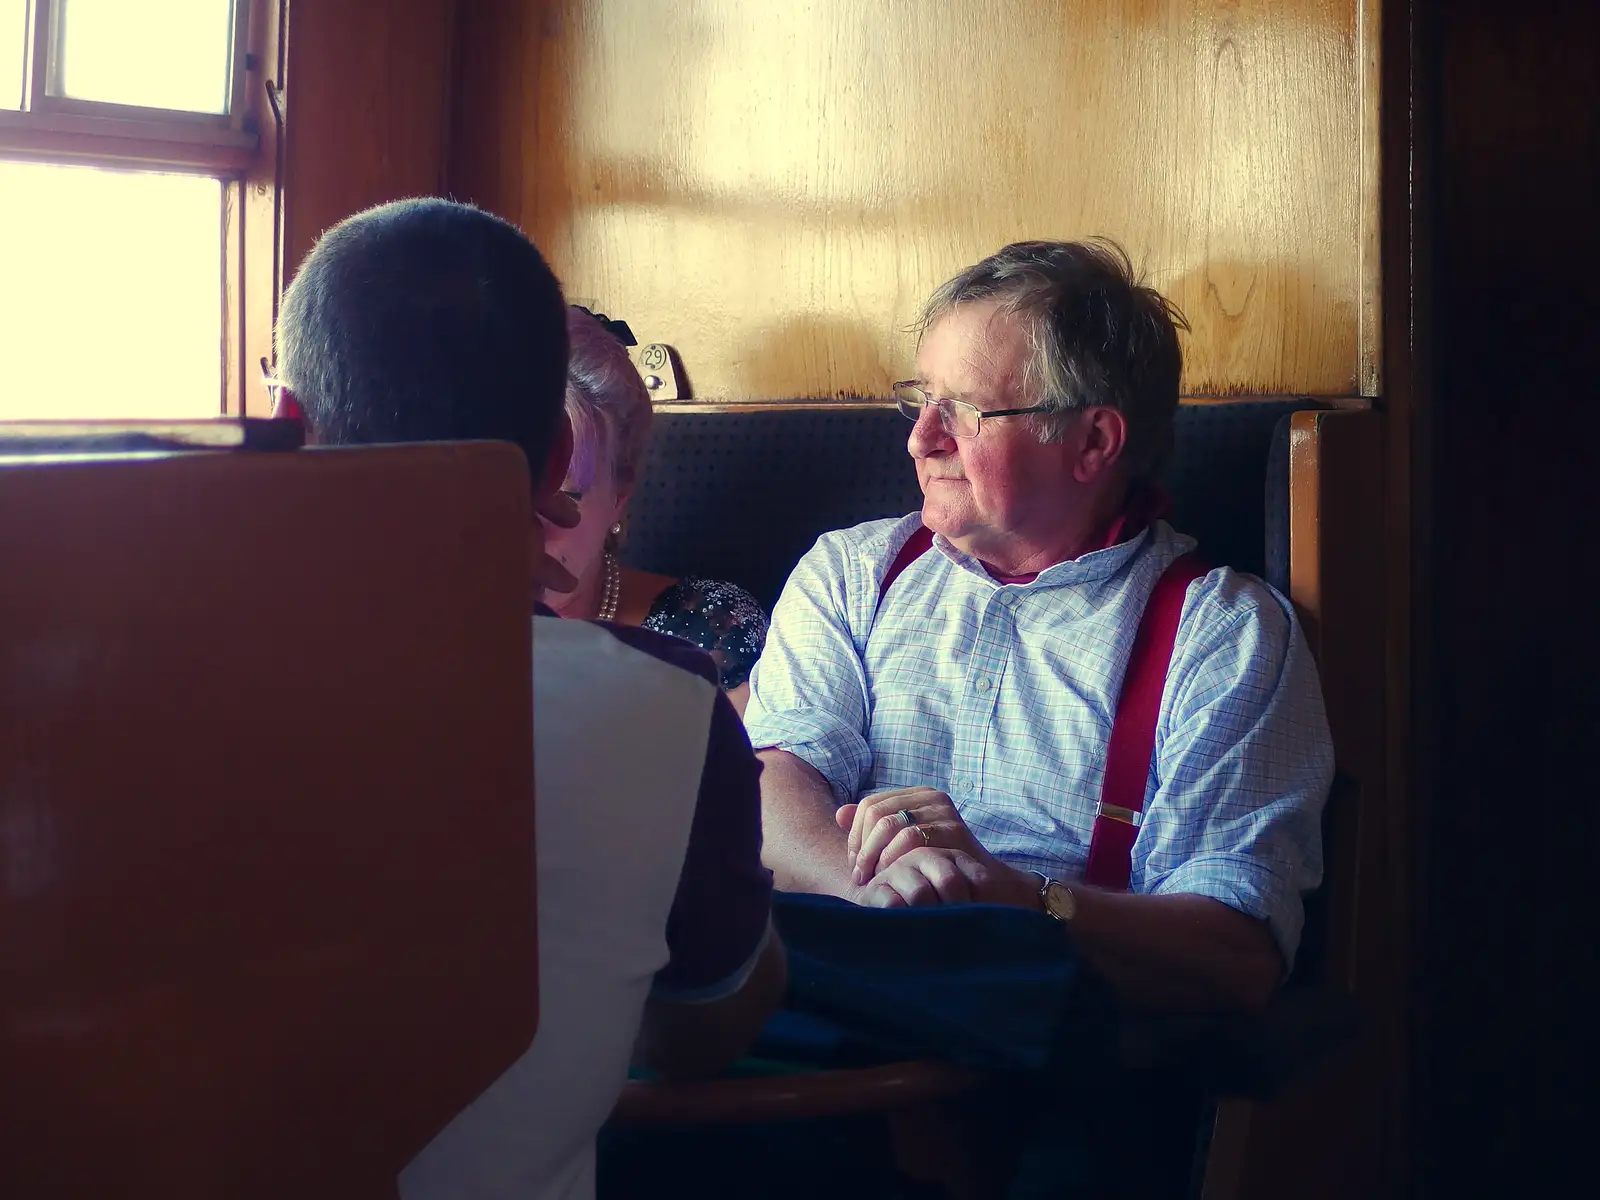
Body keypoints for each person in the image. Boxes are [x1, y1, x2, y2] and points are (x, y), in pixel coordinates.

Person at [271, 197, 785, 1200]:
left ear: (287, 424)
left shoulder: (112, 678)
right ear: (557, 459)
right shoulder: (675, 713)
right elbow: (703, 1030)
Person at [744, 238, 1333, 1014]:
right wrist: (889, 906)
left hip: (1053, 1057)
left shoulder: (1223, 637)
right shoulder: (851, 573)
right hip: (819, 995)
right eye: (921, 400)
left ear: (1092, 441)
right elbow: (771, 790)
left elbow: (1239, 954)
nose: (921, 439)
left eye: (966, 411)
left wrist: (1023, 898)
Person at [545, 307, 768, 711]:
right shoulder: (414, 630)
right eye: (495, 489)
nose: (518, 526)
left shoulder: (710, 635)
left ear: (619, 495)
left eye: (560, 496)